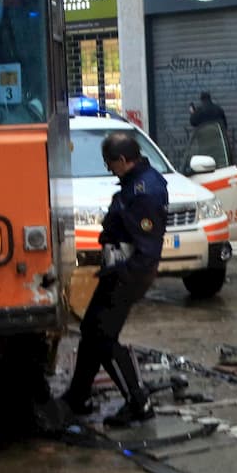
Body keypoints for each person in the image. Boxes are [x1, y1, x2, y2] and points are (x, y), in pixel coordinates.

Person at [59, 132, 167, 427]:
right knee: (91, 329)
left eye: (110, 164)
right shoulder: (134, 183)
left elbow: (146, 244)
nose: (109, 170)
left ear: (123, 160)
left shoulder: (144, 190)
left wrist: (125, 276)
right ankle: (77, 395)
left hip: (128, 273)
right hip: (117, 270)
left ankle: (138, 402)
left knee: (103, 336)